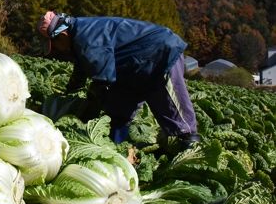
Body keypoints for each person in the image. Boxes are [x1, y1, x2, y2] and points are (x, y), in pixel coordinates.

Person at [37, 11, 201, 148]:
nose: (56, 49)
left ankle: (190, 147)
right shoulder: (79, 36)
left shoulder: (86, 37)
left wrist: (84, 116)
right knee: (118, 113)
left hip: (159, 54)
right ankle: (117, 147)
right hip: (134, 68)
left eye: (54, 44)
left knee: (172, 108)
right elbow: (81, 72)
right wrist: (69, 92)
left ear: (61, 35)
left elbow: (103, 79)